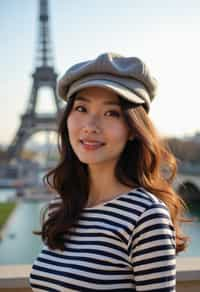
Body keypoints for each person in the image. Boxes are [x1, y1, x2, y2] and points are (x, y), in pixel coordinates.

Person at [30, 52, 189, 291]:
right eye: (81, 108)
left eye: (111, 113)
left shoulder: (146, 218)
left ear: (134, 129)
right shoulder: (61, 206)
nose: (90, 126)